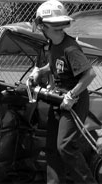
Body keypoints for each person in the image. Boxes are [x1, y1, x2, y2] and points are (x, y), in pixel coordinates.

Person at [30, 0, 97, 183]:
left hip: (73, 101)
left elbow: (90, 74)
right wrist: (41, 71)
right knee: (52, 148)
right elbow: (56, 64)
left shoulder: (70, 48)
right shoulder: (53, 43)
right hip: (58, 100)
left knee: (65, 146)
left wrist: (71, 94)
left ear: (43, 25)